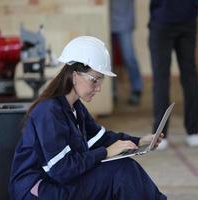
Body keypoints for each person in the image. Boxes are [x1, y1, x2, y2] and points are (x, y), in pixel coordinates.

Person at [9, 36, 167, 200]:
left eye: (101, 81)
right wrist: (105, 153)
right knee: (119, 172)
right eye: (94, 80)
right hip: (38, 190)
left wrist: (139, 141)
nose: (98, 88)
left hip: (56, 183)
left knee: (123, 167)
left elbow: (102, 138)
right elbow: (61, 170)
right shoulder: (48, 112)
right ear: (75, 75)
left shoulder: (75, 107)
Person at [148, 0, 198, 149]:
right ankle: (193, 133)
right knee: (189, 75)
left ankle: (161, 135)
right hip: (187, 18)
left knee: (161, 79)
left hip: (162, 18)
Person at [110, 0, 143, 105]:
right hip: (105, 20)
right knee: (107, 60)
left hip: (125, 21)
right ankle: (111, 92)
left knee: (129, 57)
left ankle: (136, 89)